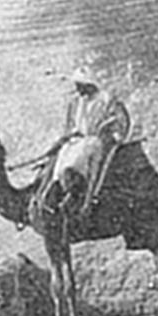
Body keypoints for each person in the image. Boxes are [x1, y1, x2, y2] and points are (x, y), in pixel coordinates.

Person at [39, 70, 132, 218]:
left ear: (88, 85)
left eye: (80, 85)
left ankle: (83, 195)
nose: (77, 89)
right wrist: (66, 137)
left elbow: (121, 123)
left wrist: (113, 136)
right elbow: (71, 125)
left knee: (82, 156)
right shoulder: (77, 101)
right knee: (63, 152)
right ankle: (55, 187)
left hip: (95, 141)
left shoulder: (107, 100)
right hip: (78, 139)